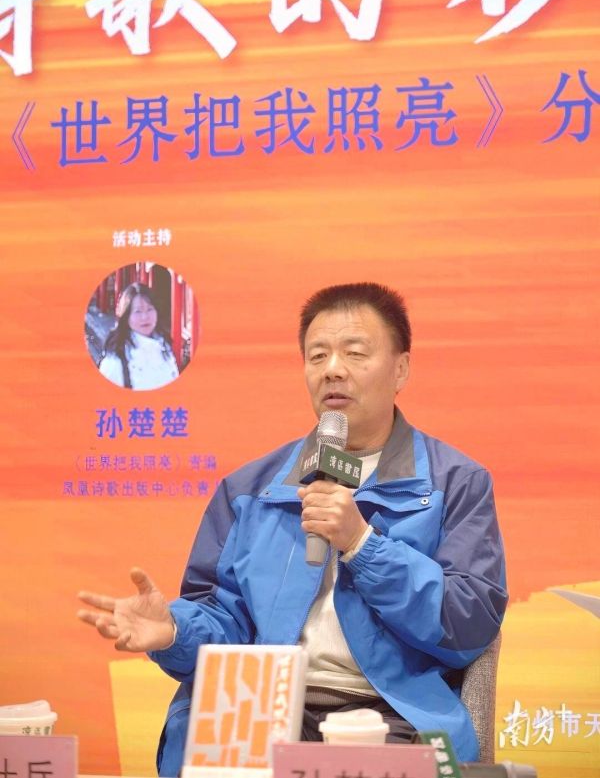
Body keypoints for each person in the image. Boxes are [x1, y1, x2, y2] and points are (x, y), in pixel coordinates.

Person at [78, 282, 507, 775]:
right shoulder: (250, 489)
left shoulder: (456, 482)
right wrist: (173, 631)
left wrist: (363, 545)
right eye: (317, 355)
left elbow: (469, 624)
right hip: (260, 707)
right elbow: (225, 625)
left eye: (355, 353)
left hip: (391, 712)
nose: (332, 370)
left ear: (401, 369)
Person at [98, 282, 179, 390]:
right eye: (138, 311)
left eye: (150, 309)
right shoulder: (115, 361)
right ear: (126, 316)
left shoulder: (164, 347)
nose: (145, 317)